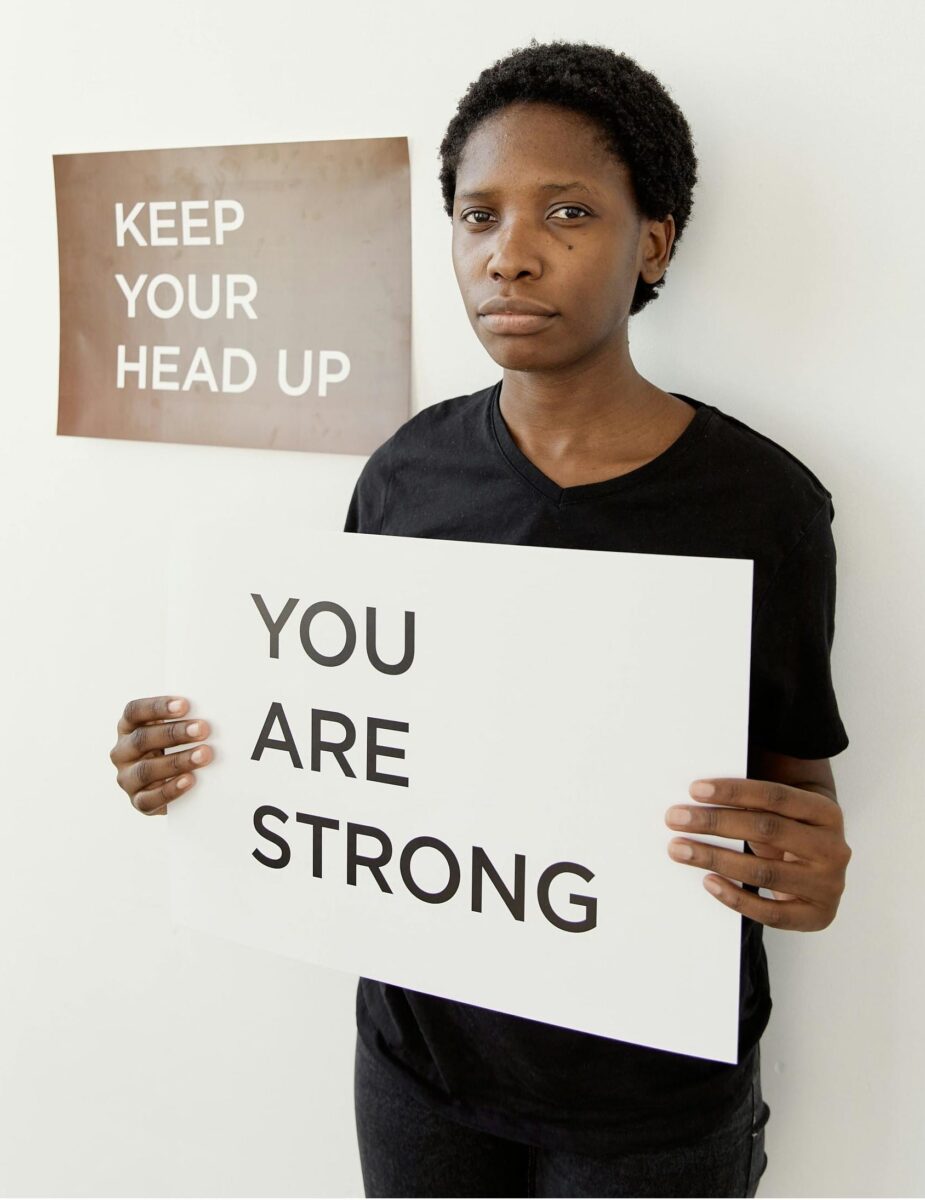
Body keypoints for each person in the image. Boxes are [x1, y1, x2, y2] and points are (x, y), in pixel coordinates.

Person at [109, 38, 852, 1199]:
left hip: (646, 1103)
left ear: (650, 242)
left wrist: (804, 869)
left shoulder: (762, 505)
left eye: (567, 212)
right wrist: (198, 762)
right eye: (476, 216)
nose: (510, 256)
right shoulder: (405, 472)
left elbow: (795, 791)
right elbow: (347, 733)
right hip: (417, 1066)